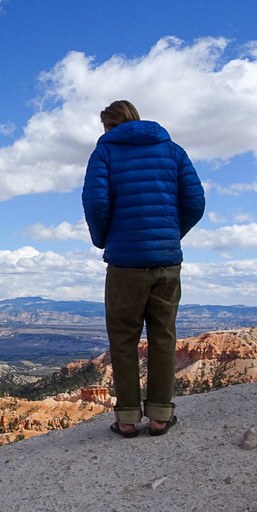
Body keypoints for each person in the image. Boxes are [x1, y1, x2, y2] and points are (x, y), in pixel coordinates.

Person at [82, 100, 205, 438]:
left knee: (123, 340)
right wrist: (169, 234)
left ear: (109, 126)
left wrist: (104, 238)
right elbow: (195, 202)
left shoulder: (105, 153)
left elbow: (96, 203)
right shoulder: (173, 150)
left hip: (125, 264)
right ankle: (161, 417)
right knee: (163, 336)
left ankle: (126, 420)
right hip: (167, 261)